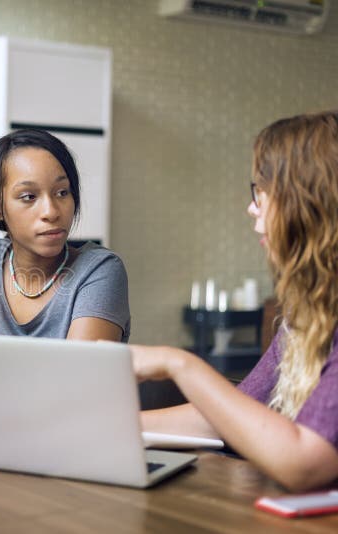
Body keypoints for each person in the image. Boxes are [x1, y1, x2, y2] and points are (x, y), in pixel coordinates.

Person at [132, 110, 338, 492]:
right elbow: (232, 414)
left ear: (307, 203)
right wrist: (108, 426)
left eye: (263, 191)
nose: (252, 207)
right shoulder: (306, 313)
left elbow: (305, 463)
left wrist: (179, 364)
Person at [0, 129, 130, 397]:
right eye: (29, 197)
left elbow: (74, 389)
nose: (51, 212)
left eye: (62, 192)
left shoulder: (100, 271)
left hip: (73, 437)